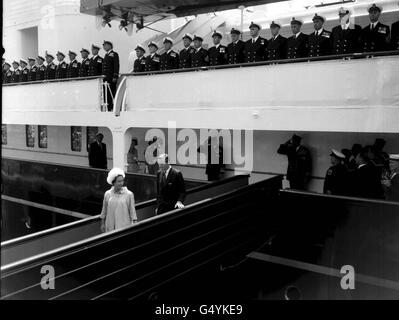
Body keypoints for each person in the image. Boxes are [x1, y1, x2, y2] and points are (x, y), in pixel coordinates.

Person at [100, 168, 138, 233]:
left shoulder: (129, 194)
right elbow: (104, 210)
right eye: (119, 181)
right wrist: (102, 224)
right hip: (110, 226)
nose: (121, 183)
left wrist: (134, 223)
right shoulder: (107, 194)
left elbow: (132, 211)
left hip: (124, 227)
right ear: (113, 182)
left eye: (122, 181)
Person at [102, 40, 120, 110]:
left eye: (105, 45)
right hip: (105, 78)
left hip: (111, 77)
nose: (104, 47)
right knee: (106, 94)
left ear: (110, 46)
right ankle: (108, 108)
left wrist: (115, 76)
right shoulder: (106, 55)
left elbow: (116, 66)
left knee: (111, 93)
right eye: (103, 45)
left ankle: (112, 107)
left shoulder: (114, 54)